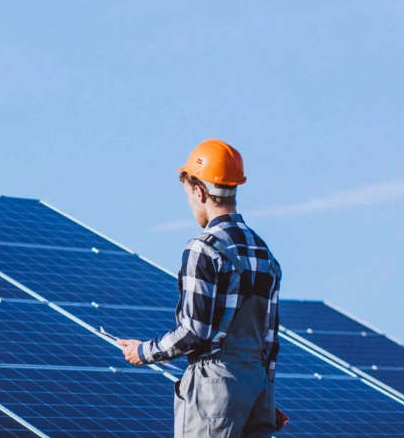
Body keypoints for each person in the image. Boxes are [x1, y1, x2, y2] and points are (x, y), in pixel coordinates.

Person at [116, 139, 282, 437]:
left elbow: (194, 331)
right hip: (257, 388)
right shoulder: (264, 253)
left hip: (213, 389)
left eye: (189, 196)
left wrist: (143, 351)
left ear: (199, 191)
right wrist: (264, 398)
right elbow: (269, 343)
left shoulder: (203, 248)